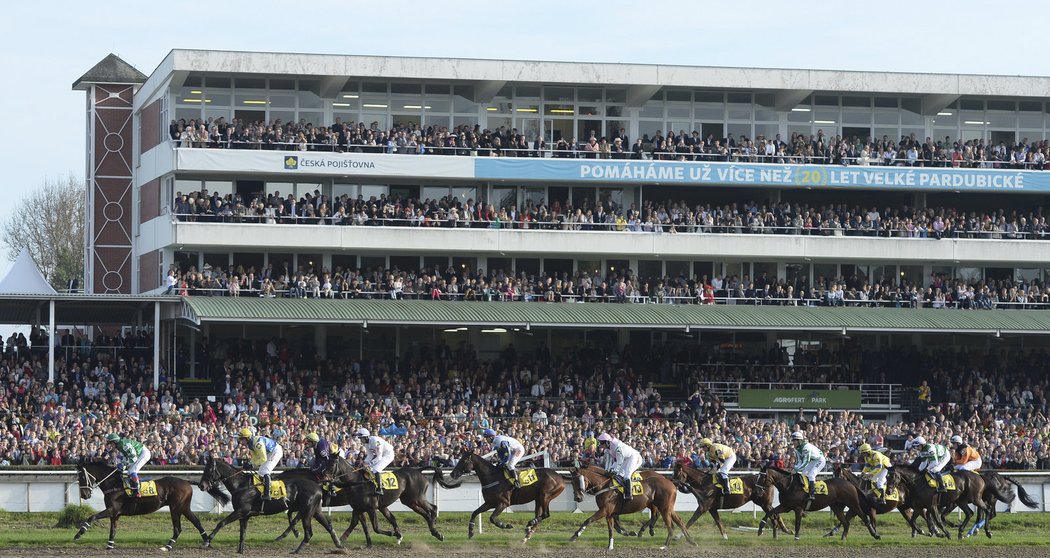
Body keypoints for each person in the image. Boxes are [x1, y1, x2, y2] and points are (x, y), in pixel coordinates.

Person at [597, 432, 642, 501]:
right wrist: (608, 470)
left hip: (633, 457)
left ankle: (628, 494)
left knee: (627, 475)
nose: (601, 445)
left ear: (607, 442)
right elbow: (609, 461)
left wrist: (614, 471)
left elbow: (619, 462)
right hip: (624, 459)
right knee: (616, 474)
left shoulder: (617, 447)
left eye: (602, 443)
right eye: (600, 443)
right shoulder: (607, 449)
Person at [239, 427, 282, 499]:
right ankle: (263, 491)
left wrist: (252, 464)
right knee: (260, 472)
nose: (241, 442)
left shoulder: (257, 444)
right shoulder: (250, 444)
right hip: (270, 452)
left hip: (276, 451)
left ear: (247, 438)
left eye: (242, 439)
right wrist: (250, 463)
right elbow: (255, 458)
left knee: (265, 471)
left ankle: (267, 493)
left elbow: (263, 458)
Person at [105, 433, 151, 497]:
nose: (111, 446)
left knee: (132, 471)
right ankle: (135, 486)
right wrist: (121, 465)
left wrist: (122, 464)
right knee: (129, 472)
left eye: (111, 443)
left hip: (143, 453)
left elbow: (133, 458)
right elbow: (126, 457)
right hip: (139, 454)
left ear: (115, 442)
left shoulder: (125, 445)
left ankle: (137, 491)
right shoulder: (119, 445)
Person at [357, 427, 394, 495]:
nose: (360, 440)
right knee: (370, 468)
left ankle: (380, 488)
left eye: (361, 438)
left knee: (376, 469)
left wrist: (369, 464)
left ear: (366, 437)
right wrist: (364, 462)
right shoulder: (366, 444)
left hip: (388, 454)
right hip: (381, 455)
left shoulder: (375, 440)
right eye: (360, 438)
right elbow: (370, 456)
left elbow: (379, 457)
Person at [791, 431, 826, 502]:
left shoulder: (805, 448)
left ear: (799, 441)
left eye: (795, 440)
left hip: (820, 460)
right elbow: (799, 462)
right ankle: (805, 491)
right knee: (803, 474)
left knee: (811, 475)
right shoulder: (797, 449)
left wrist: (796, 469)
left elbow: (805, 462)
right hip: (812, 461)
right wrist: (794, 468)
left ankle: (812, 494)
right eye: (793, 440)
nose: (793, 442)